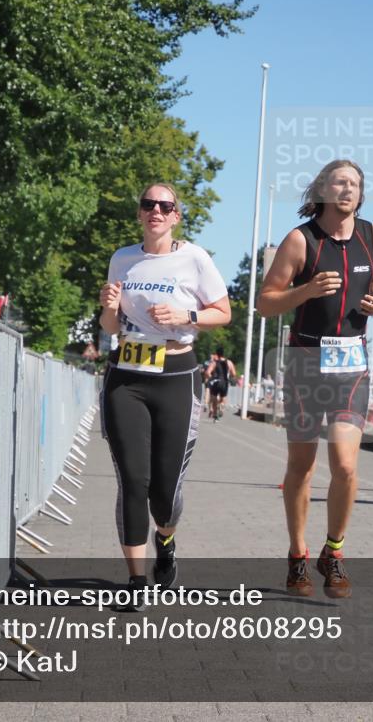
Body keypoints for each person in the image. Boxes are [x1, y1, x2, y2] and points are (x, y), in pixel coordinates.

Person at [257, 159, 373, 599]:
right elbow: (266, 303)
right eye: (339, 182)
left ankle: (333, 553)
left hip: (352, 364)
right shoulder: (300, 241)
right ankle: (297, 556)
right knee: (302, 467)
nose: (347, 189)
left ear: (360, 193)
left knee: (347, 466)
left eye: (354, 184)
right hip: (305, 364)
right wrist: (306, 292)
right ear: (323, 190)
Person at [99, 183, 231, 606]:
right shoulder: (122, 259)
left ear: (176, 216)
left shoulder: (194, 258)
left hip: (176, 375)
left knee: (165, 493)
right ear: (139, 213)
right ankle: (137, 581)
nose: (155, 210)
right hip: (126, 376)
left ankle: (166, 539)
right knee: (133, 481)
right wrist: (107, 306)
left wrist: (186, 314)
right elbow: (110, 326)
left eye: (165, 206)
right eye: (148, 204)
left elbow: (223, 312)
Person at [206, 347, 237, 421]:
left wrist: (211, 378)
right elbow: (234, 374)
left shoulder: (214, 362)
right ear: (223, 354)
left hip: (216, 381)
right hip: (224, 382)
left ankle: (215, 413)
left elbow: (207, 372)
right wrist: (231, 377)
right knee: (223, 398)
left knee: (214, 398)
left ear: (217, 354)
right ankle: (221, 407)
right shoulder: (229, 362)